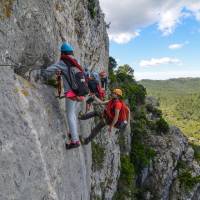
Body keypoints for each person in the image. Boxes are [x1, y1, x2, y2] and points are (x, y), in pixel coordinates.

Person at [41, 42, 84, 149]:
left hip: (71, 93)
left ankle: (75, 141)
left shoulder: (63, 61)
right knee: (72, 113)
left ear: (63, 52)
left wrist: (41, 72)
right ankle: (73, 134)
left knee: (69, 114)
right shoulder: (74, 61)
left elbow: (48, 71)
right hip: (79, 91)